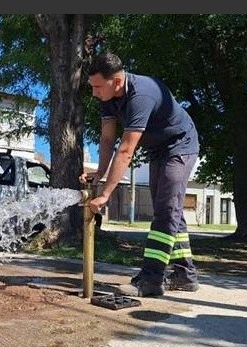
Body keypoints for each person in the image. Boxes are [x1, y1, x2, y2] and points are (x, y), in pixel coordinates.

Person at [79, 52, 200, 297]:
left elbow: (125, 150)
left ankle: (151, 279)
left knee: (167, 210)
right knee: (169, 209)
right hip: (158, 150)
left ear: (117, 81)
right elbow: (107, 138)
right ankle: (185, 274)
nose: (94, 93)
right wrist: (100, 173)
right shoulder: (108, 96)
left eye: (98, 86)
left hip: (181, 145)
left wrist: (106, 194)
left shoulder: (141, 95)